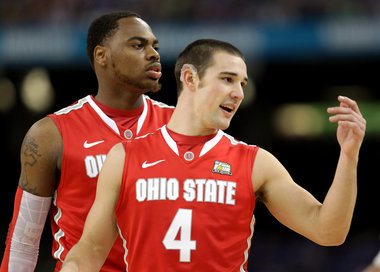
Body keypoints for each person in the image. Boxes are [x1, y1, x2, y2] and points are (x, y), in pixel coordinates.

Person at [60, 39, 366, 272]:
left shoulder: (255, 162)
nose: (239, 93)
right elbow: (92, 246)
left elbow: (328, 231)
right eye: (228, 79)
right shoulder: (124, 157)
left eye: (242, 83)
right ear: (191, 79)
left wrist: (349, 156)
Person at [0, 10, 174, 272]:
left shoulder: (182, 126)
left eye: (155, 46)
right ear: (101, 55)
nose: (153, 54)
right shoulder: (50, 134)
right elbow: (24, 242)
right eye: (138, 45)